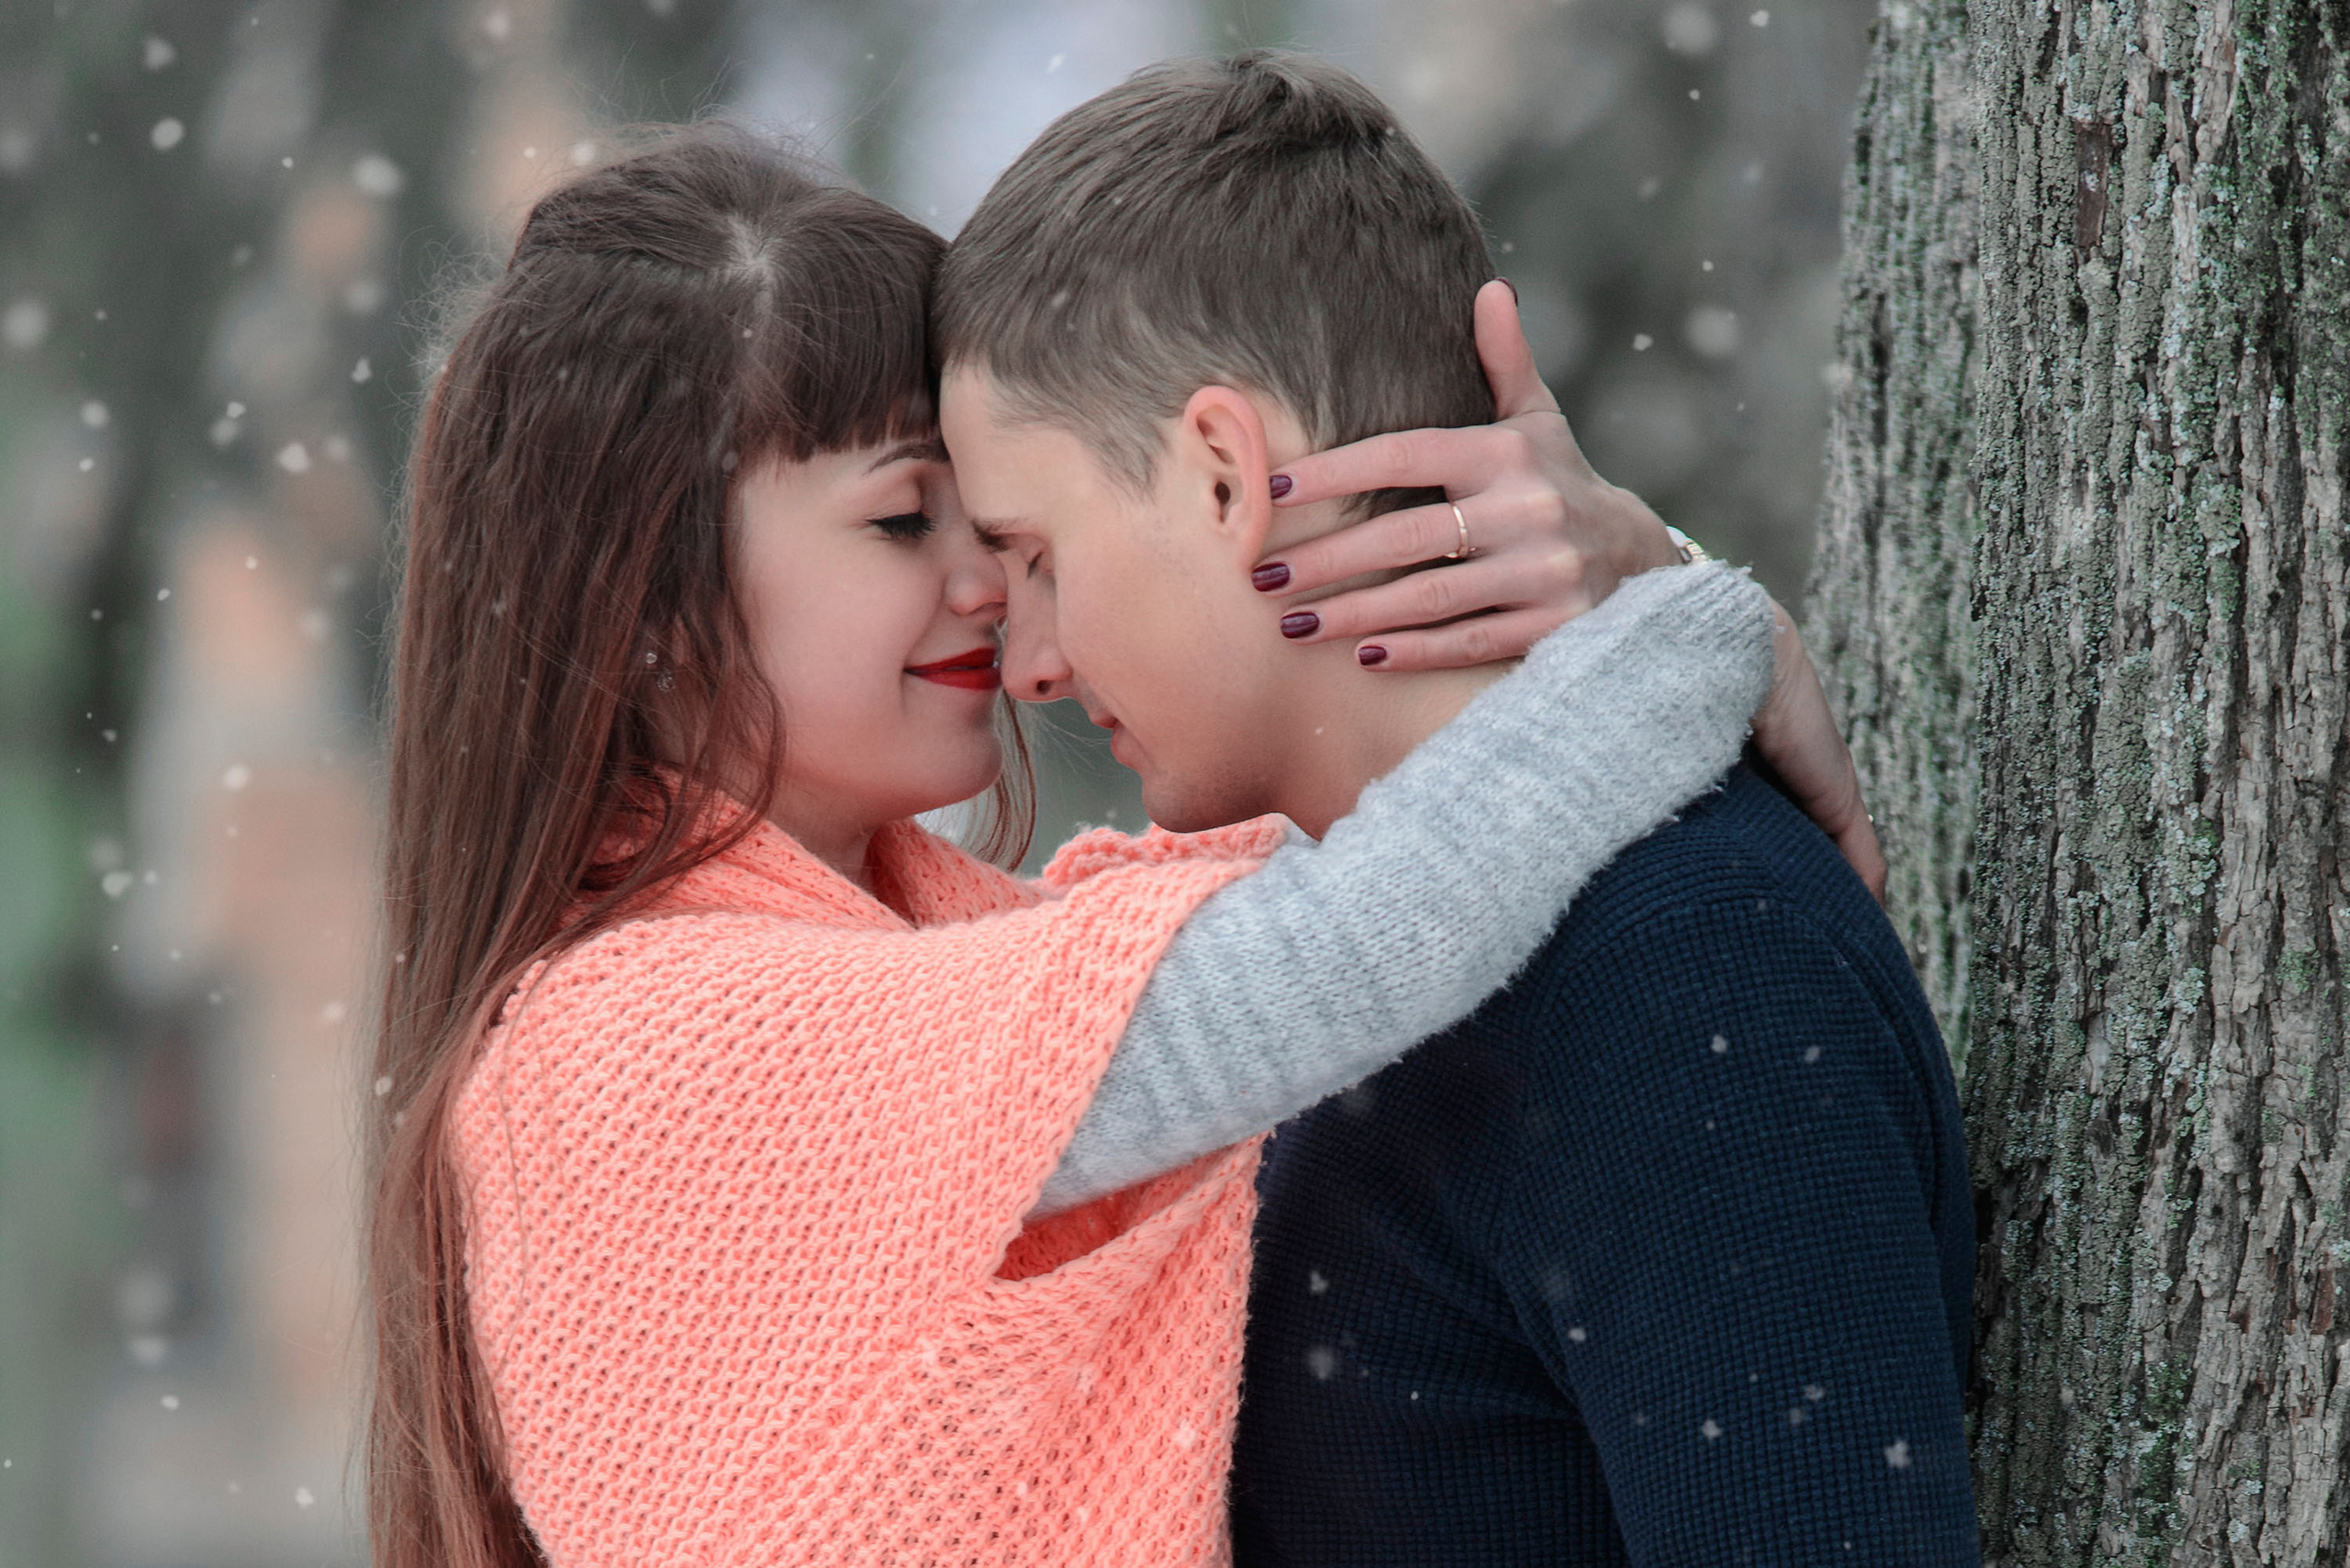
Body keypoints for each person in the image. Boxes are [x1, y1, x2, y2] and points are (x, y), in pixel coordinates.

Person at [365, 124, 1862, 1568]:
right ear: (644, 610)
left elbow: (1351, 864)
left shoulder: (909, 970)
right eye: (906, 523)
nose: (993, 602)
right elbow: (1327, 960)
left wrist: (1642, 586)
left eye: (1010, 538)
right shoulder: (619, 1054)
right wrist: (1694, 626)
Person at [934, 52, 1978, 1564]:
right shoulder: (1329, 961)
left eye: (1036, 555)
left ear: (1225, 474)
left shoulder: (1682, 968)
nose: (1025, 663)